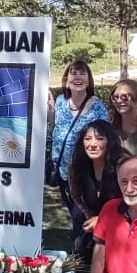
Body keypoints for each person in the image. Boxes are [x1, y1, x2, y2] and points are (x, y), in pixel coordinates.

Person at [48, 60, 109, 258]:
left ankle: (84, 259)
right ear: (66, 81)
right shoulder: (60, 103)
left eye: (82, 74)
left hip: (86, 173)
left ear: (89, 80)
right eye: (72, 74)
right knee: (75, 217)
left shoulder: (97, 106)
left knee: (82, 215)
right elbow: (53, 127)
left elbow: (105, 137)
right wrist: (49, 111)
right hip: (63, 174)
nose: (77, 77)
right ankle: (84, 255)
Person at [66, 120, 125, 267]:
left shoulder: (123, 166)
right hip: (92, 225)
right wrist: (93, 220)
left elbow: (133, 205)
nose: (92, 144)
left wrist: (103, 220)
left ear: (109, 141)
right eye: (88, 139)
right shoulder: (76, 165)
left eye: (99, 138)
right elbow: (76, 196)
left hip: (122, 225)